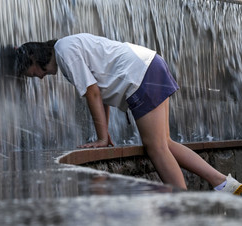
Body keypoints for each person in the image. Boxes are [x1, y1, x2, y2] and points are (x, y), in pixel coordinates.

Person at [14, 33, 242, 194]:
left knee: (156, 147)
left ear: (33, 58)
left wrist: (102, 138)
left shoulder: (63, 51)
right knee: (166, 143)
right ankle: (224, 184)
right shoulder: (67, 49)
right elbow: (99, 91)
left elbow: (92, 93)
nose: (39, 77)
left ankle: (182, 206)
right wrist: (105, 135)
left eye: (32, 73)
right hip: (150, 65)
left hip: (140, 75)